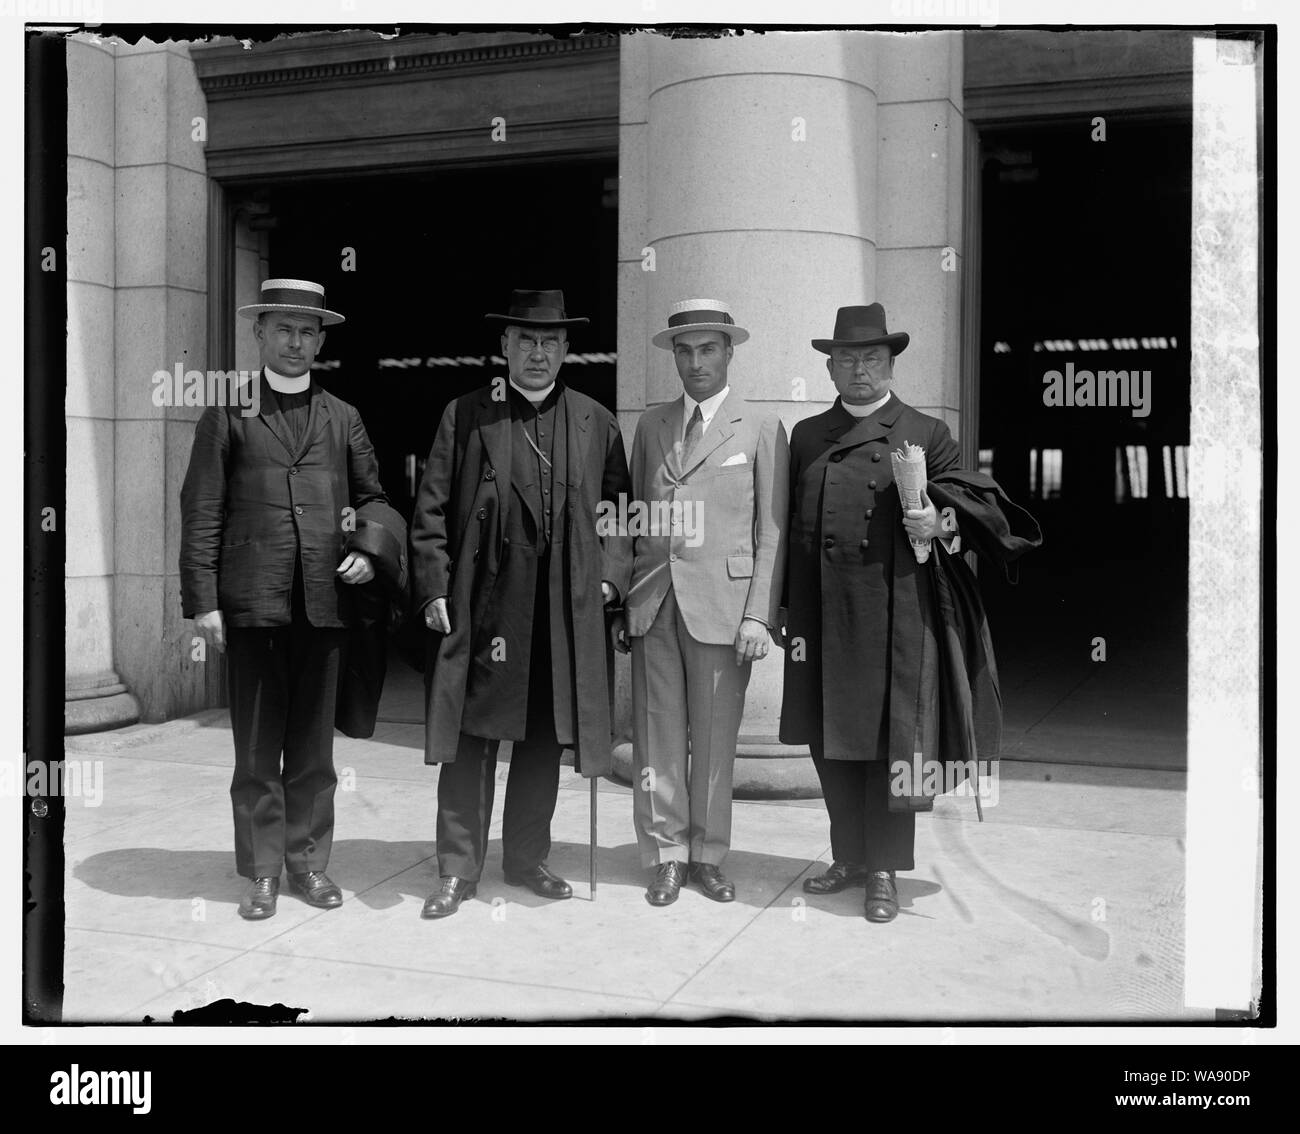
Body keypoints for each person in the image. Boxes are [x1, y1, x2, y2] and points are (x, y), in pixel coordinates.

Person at [778, 303, 1039, 923]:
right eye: (846, 359)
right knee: (826, 736)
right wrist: (784, 611)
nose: (859, 370)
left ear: (891, 363)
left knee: (891, 745)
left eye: (871, 358)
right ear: (830, 367)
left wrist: (939, 520)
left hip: (893, 613)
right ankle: (847, 856)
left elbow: (973, 512)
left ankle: (885, 871)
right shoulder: (809, 436)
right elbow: (789, 529)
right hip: (820, 615)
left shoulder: (926, 432)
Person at [410, 289, 631, 918]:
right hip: (486, 607)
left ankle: (527, 857)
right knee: (472, 739)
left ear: (567, 350)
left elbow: (620, 513)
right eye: (526, 341)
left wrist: (612, 580)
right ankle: (457, 869)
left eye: (550, 342)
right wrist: (432, 586)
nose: (538, 353)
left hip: (563, 611)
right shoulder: (466, 414)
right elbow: (429, 511)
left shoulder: (596, 420)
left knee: (543, 740)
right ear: (504, 346)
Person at [180, 278, 397, 920]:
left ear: (321, 339)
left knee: (312, 750)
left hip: (324, 605)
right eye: (284, 329)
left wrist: (369, 550)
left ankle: (307, 864)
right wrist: (203, 600)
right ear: (260, 334)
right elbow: (201, 511)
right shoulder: (228, 413)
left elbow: (375, 498)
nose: (296, 342)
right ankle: (262, 872)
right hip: (252, 606)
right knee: (254, 750)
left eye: (308, 331)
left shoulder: (343, 417)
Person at [611, 298, 788, 907]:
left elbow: (773, 531)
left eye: (707, 348)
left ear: (729, 352)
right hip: (655, 602)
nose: (695, 362)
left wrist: (759, 613)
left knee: (715, 740)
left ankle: (708, 854)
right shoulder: (651, 425)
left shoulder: (761, 428)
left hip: (724, 605)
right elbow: (637, 517)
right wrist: (625, 599)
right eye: (684, 351)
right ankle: (665, 854)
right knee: (657, 737)